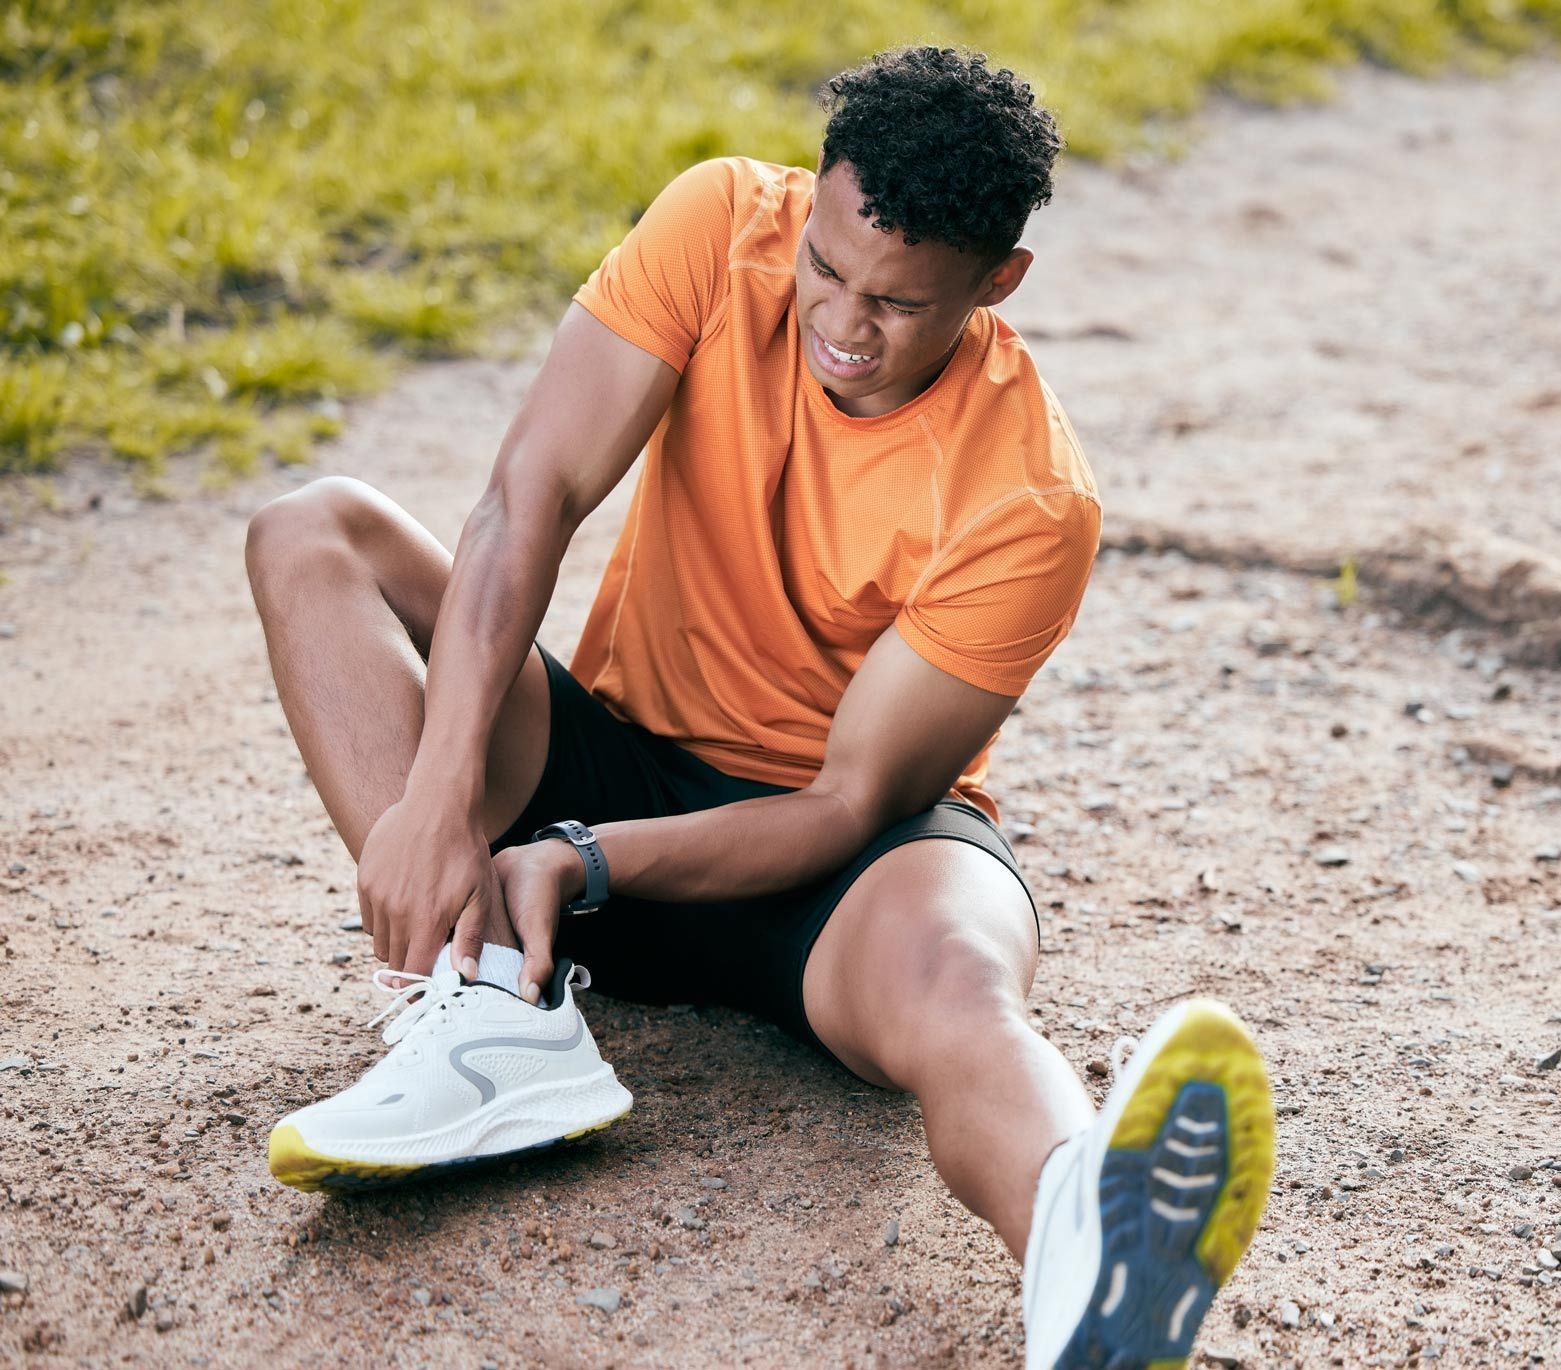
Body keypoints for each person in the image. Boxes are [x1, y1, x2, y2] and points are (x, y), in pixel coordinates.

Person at [244, 45, 1274, 1367]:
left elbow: (850, 797)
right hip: (603, 759)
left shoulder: (1029, 497)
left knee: (961, 979)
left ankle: (1081, 1239)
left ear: (998, 283)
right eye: (828, 269)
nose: (840, 323)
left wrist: (581, 861)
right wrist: (439, 795)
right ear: (813, 205)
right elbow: (529, 496)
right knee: (311, 531)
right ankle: (492, 1010)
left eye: (898, 303)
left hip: (827, 867)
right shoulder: (723, 222)